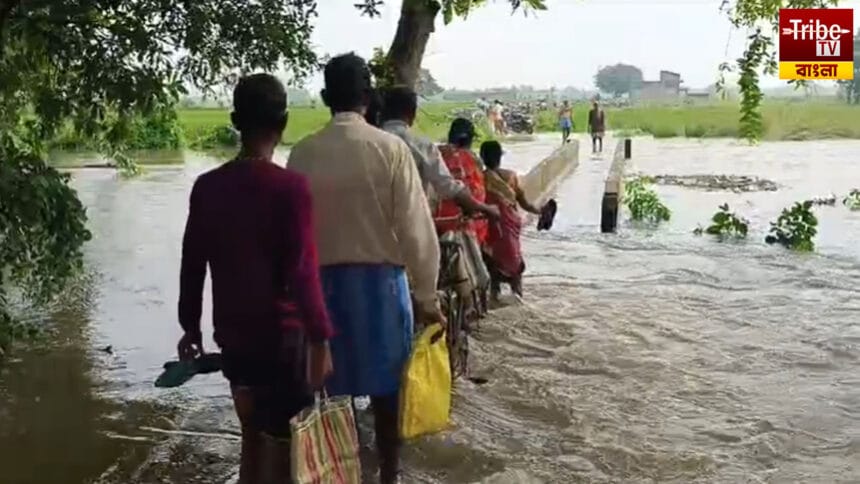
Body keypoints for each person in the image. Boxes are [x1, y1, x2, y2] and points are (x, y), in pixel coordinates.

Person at [287, 53, 442, 484]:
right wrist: (428, 298)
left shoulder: (302, 154)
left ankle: (340, 470)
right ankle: (388, 475)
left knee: (330, 397)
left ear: (324, 98)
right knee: (388, 395)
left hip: (322, 294)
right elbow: (417, 231)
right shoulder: (391, 150)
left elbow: (293, 240)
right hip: (381, 292)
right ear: (369, 98)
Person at [177, 73, 334, 484]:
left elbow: (192, 262)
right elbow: (302, 270)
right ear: (283, 123)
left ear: (234, 120)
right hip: (283, 343)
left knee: (251, 436)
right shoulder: (290, 188)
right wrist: (320, 338)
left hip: (234, 339)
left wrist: (189, 327)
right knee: (286, 446)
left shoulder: (207, 187)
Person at [380, 86, 499, 220]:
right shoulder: (421, 146)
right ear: (412, 114)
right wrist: (486, 208)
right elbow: (448, 187)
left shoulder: (365, 142)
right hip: (409, 223)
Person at [434, 118, 492, 308]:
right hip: (460, 223)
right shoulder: (471, 159)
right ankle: (473, 311)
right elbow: (478, 194)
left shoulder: (436, 152)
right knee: (480, 278)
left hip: (432, 223)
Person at [480, 140, 543, 300]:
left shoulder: (480, 178)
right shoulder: (511, 177)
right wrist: (540, 211)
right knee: (516, 274)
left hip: (491, 230)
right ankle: (518, 302)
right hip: (509, 230)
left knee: (493, 271)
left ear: (482, 157)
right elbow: (524, 203)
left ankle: (492, 301)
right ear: (500, 158)